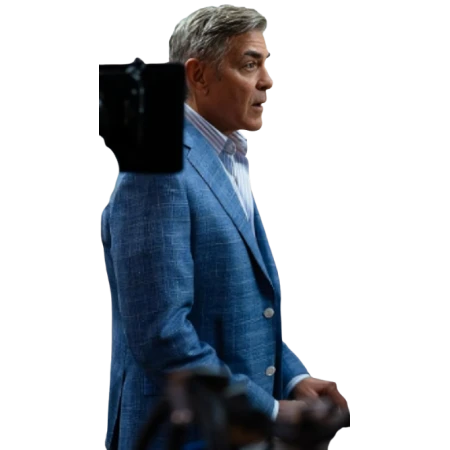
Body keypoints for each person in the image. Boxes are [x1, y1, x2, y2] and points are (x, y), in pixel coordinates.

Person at [101, 5, 348, 450]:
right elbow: (162, 335)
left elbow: (237, 311)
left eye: (266, 64)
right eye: (250, 65)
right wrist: (270, 410)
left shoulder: (228, 155)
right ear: (198, 76)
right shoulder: (155, 171)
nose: (267, 81)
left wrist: (292, 379)